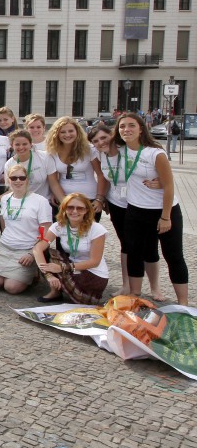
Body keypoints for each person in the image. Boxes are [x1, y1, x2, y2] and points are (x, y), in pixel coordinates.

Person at [115, 113, 189, 305]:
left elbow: (170, 185)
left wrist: (165, 217)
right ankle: (135, 295)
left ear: (141, 129)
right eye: (122, 126)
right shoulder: (120, 150)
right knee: (134, 252)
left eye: (131, 126)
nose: (126, 130)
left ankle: (183, 303)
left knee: (173, 255)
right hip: (136, 210)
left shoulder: (155, 153)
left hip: (163, 211)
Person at [88, 123, 163, 300]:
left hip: (141, 203)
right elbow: (105, 179)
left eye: (104, 137)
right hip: (117, 204)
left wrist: (160, 182)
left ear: (112, 135)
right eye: (96, 141)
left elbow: (152, 168)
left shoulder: (127, 151)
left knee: (150, 245)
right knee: (126, 245)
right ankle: (127, 285)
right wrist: (102, 198)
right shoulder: (100, 155)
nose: (101, 142)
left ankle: (155, 287)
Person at [0, 163, 51, 295]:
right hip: (5, 247)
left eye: (22, 178)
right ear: (8, 180)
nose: (18, 181)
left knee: (11, 287)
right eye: (13, 178)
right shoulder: (5, 199)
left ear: (27, 180)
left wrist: (33, 253)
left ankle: (34, 272)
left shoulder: (40, 201)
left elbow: (47, 230)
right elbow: (3, 222)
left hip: (26, 249)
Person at [33, 194, 109, 304]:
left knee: (55, 263)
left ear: (87, 210)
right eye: (70, 207)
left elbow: (94, 262)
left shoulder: (97, 229)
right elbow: (38, 248)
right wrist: (49, 276)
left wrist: (62, 268)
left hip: (93, 276)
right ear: (64, 209)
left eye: (80, 208)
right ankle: (55, 291)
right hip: (73, 269)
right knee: (45, 252)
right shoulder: (59, 226)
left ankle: (65, 290)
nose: (74, 211)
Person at [45, 116, 107, 215]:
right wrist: (63, 202)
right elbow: (53, 181)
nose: (67, 135)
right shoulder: (52, 153)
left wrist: (99, 199)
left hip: (89, 199)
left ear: (77, 132)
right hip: (64, 198)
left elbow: (101, 174)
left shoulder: (89, 150)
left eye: (71, 131)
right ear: (56, 134)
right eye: (63, 132)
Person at [4, 129, 55, 199]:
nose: (21, 147)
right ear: (12, 146)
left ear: (31, 144)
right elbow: (11, 190)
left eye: (25, 144)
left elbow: (54, 184)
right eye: (17, 144)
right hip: (22, 203)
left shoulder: (44, 157)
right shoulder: (9, 164)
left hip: (45, 200)